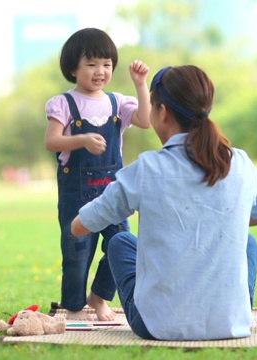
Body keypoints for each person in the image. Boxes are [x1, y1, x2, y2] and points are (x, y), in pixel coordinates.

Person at [71, 65, 257, 340]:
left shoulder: (146, 169)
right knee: (248, 242)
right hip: (229, 323)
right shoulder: (239, 162)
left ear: (162, 111)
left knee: (120, 242)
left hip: (156, 325)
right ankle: (228, 309)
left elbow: (79, 227)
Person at [44, 28, 151, 321]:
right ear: (72, 68)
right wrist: (82, 140)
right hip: (75, 198)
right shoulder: (64, 104)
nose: (100, 71)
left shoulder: (117, 103)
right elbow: (51, 141)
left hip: (113, 196)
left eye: (106, 64)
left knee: (123, 244)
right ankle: (74, 307)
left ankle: (99, 297)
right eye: (91, 64)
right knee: (77, 251)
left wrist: (141, 85)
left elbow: (145, 120)